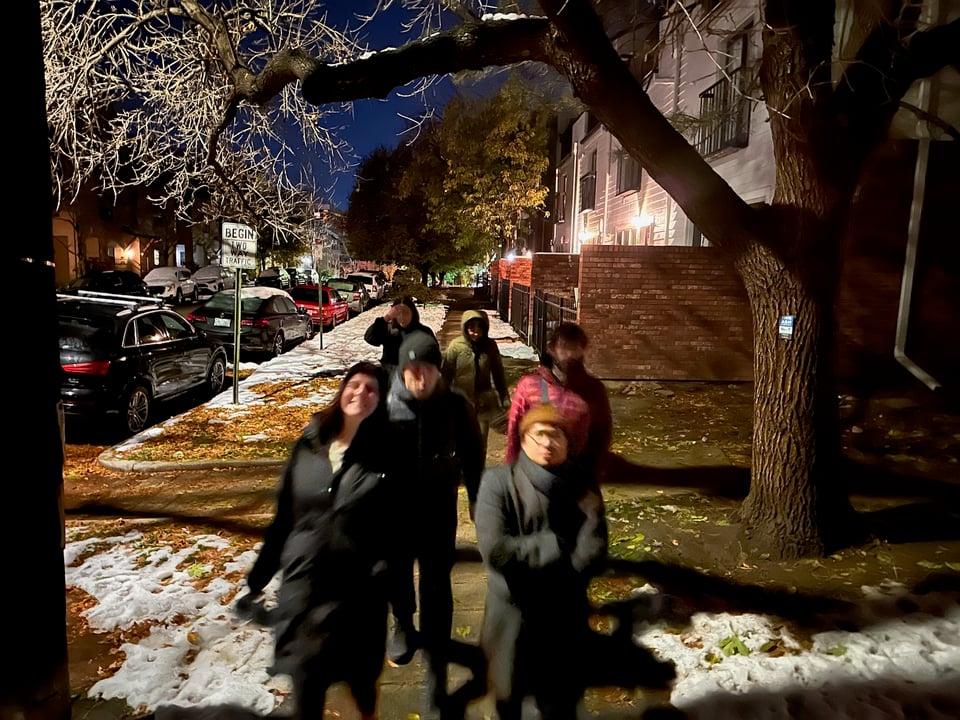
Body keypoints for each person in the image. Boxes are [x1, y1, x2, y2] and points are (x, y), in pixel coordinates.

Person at [234, 361, 396, 720]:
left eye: (372, 389)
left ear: (381, 400)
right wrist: (257, 580)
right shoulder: (308, 445)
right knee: (307, 687)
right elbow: (283, 520)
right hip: (305, 590)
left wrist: (389, 583)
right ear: (342, 390)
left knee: (361, 686)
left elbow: (397, 529)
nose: (361, 394)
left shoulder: (387, 456)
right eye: (355, 385)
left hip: (358, 598)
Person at [474, 404, 609, 720]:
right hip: (512, 615)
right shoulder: (497, 483)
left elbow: (594, 543)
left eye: (556, 435)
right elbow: (496, 550)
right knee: (509, 699)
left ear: (567, 442)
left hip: (565, 614)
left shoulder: (581, 484)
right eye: (539, 434)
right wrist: (555, 545)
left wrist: (565, 578)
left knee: (562, 701)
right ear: (523, 440)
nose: (548, 443)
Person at [385, 331, 485, 719]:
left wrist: (477, 498)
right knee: (396, 570)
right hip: (394, 507)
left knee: (437, 578)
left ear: (438, 370)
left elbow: (475, 456)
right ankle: (403, 622)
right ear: (402, 371)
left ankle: (437, 652)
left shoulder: (457, 405)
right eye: (413, 371)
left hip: (439, 504)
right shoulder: (386, 403)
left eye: (428, 370)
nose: (421, 378)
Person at [505, 322, 612, 478]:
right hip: (533, 472)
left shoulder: (593, 390)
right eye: (564, 347)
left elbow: (602, 434)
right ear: (552, 349)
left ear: (583, 350)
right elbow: (515, 430)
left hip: (575, 475)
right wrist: (511, 471)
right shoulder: (530, 385)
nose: (569, 354)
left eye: (575, 348)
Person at [441, 308, 509, 459]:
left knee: (479, 440)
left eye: (480, 327)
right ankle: (459, 473)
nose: (476, 331)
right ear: (465, 328)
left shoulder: (490, 346)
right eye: (472, 327)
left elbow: (498, 373)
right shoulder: (456, 346)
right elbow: (445, 375)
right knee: (460, 439)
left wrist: (504, 396)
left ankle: (477, 474)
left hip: (483, 402)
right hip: (461, 401)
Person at [363, 295, 436, 378]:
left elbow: (434, 356)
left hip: (414, 376)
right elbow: (369, 338)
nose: (402, 317)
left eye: (406, 313)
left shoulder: (423, 331)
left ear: (412, 313)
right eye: (398, 314)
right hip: (390, 375)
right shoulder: (388, 329)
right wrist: (386, 318)